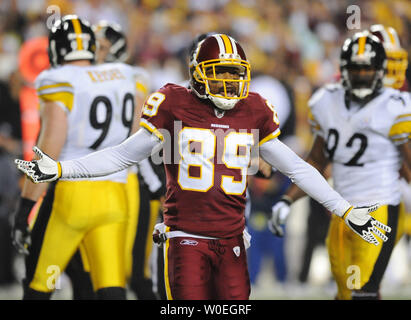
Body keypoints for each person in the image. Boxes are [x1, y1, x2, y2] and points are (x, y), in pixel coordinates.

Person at [16, 33, 391, 300]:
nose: (228, 81)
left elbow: (298, 167)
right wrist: (62, 170)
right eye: (219, 71)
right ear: (197, 72)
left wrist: (344, 210)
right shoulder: (173, 102)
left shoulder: (255, 108)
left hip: (232, 240)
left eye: (235, 72)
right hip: (185, 239)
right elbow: (122, 155)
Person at [269, 31, 411, 299]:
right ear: (344, 70)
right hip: (342, 211)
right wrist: (288, 200)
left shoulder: (397, 106)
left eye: (368, 69)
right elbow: (315, 161)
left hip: (379, 210)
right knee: (344, 294)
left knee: (364, 293)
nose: (362, 75)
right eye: (356, 69)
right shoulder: (326, 101)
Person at [11, 15, 142, 300]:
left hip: (73, 197)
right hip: (116, 194)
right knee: (110, 288)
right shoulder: (125, 75)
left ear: (57, 48)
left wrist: (24, 209)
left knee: (41, 281)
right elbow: (136, 135)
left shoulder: (57, 80)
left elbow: (49, 151)